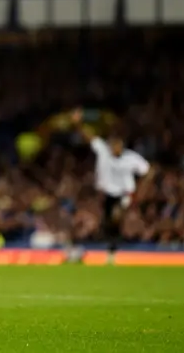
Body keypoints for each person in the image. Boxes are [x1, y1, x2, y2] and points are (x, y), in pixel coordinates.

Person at [70, 108, 153, 263]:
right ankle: (100, 249)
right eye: (112, 144)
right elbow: (90, 136)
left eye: (117, 144)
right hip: (104, 193)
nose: (114, 147)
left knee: (115, 217)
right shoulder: (103, 151)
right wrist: (78, 123)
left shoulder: (131, 158)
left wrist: (142, 190)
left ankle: (112, 250)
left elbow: (148, 171)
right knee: (97, 220)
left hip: (124, 194)